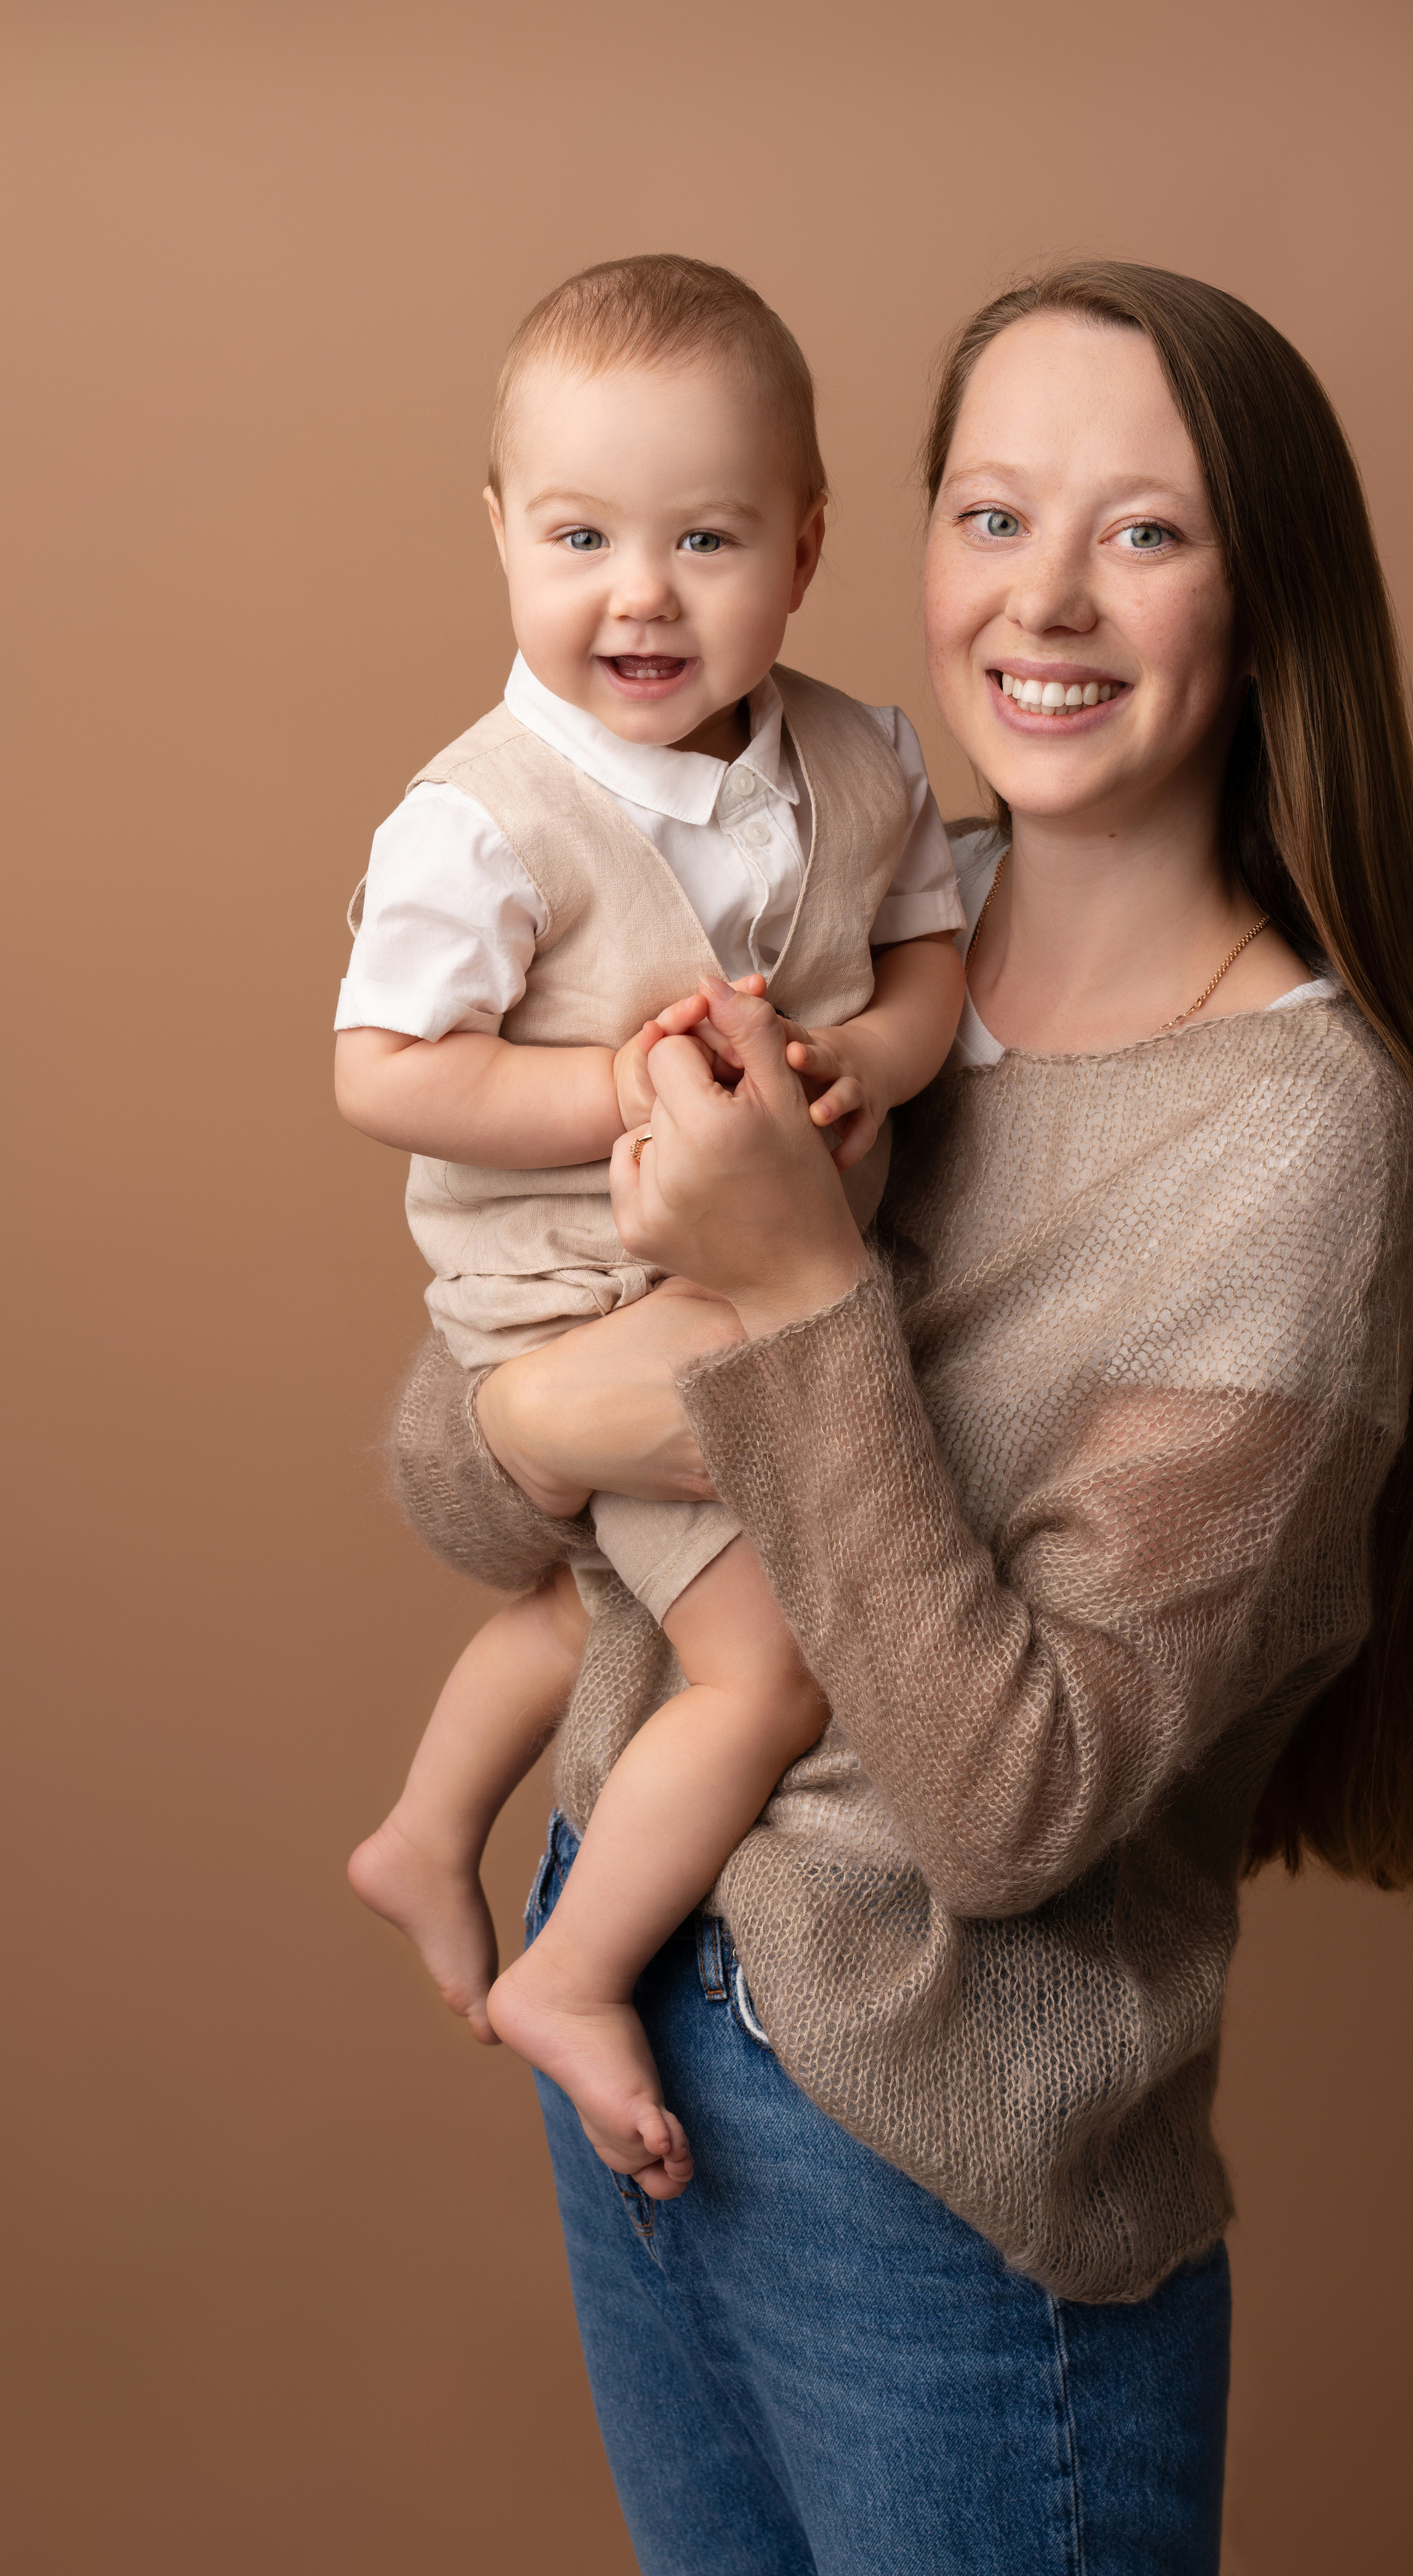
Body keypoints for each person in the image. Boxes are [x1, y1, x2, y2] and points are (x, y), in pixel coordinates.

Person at [388, 262, 1413, 2575]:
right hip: (625, 2005)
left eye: (1147, 531)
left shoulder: (1301, 1145)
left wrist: (794, 1288)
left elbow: (1015, 1808)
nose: (1046, 598)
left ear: (1268, 588)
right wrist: (567, 1405)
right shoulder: (850, 930)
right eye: (996, 511)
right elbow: (452, 1471)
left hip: (936, 2163)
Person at [337, 255, 965, 2198]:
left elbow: (933, 969)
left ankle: (427, 1837)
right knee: (767, 1671)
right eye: (584, 534)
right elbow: (385, 1069)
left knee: (592, 1596)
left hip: (752, 1263)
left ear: (805, 543)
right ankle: (581, 1976)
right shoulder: (482, 819)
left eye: (707, 538)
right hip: (581, 1287)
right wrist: (616, 1087)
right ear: (502, 534)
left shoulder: (860, 757)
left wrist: (862, 1055)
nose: (642, 593)